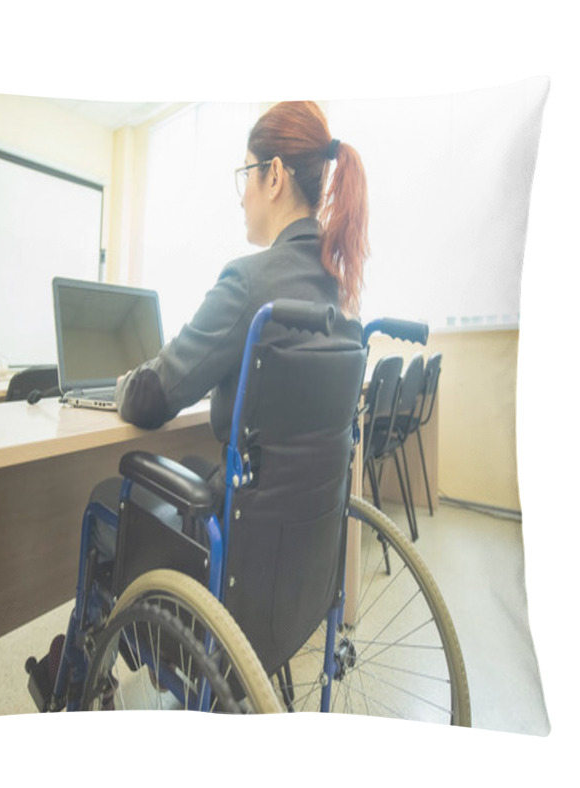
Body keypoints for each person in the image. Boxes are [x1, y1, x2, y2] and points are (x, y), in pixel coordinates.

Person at [90, 100, 370, 562]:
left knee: (106, 494)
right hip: (300, 544)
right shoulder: (338, 291)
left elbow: (150, 399)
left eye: (247, 175)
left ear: (274, 176)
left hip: (241, 544)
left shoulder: (248, 282)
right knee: (195, 465)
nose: (242, 197)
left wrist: (123, 385)